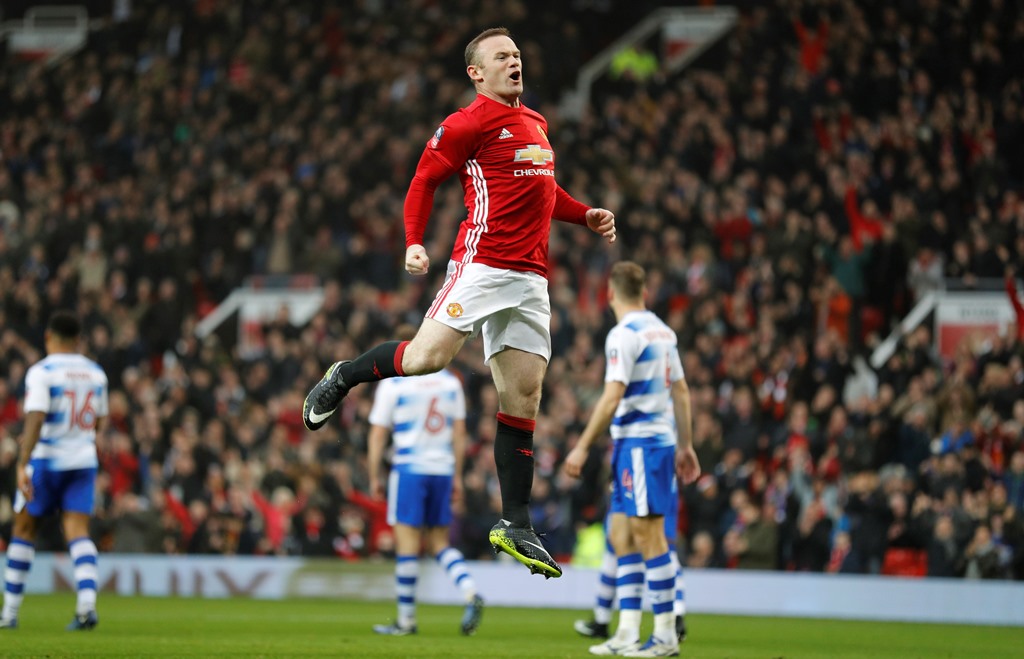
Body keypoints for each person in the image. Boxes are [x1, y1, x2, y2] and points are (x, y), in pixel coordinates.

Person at [301, 26, 617, 579]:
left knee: (525, 395)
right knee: (428, 360)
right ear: (477, 72)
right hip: (483, 264)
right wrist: (414, 242)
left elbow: (545, 189)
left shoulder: (537, 122)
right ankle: (344, 376)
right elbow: (423, 181)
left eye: (518, 53)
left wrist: (583, 213)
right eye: (502, 56)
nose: (514, 61)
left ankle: (514, 523)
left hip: (531, 277)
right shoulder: (465, 123)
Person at [564, 261, 700, 657]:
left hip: (643, 443)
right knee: (621, 536)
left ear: (609, 294)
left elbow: (611, 396)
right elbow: (683, 391)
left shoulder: (623, 335)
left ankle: (664, 636)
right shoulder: (662, 330)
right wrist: (686, 444)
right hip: (640, 445)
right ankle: (625, 631)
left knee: (650, 537)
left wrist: (582, 445)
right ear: (644, 292)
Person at [365, 327, 484, 636]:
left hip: (409, 469)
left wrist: (373, 474)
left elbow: (378, 433)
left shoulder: (393, 384)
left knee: (407, 546)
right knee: (439, 544)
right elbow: (459, 433)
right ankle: (470, 590)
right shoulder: (450, 382)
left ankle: (406, 620)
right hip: (442, 470)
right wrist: (457, 474)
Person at [0, 311, 109, 631]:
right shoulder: (96, 373)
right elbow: (99, 422)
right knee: (77, 531)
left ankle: (9, 613)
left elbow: (34, 419)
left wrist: (22, 463)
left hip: (47, 461)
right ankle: (87, 607)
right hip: (83, 461)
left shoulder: (42, 372)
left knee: (24, 529)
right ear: (78, 340)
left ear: (49, 337)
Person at [573, 506, 688, 643]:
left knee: (655, 548)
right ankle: (670, 621)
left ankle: (625, 627)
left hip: (639, 490)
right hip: (632, 491)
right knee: (656, 549)